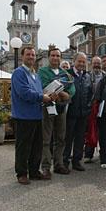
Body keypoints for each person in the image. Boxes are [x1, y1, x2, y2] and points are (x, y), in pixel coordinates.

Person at [11, 47, 51, 184]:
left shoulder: (36, 75)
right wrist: (42, 97)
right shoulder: (19, 73)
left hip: (37, 115)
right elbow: (24, 92)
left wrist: (49, 96)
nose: (31, 57)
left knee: (36, 147)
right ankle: (21, 173)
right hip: (23, 116)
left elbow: (40, 93)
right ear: (22, 57)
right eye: (28, 54)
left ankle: (34, 172)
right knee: (23, 147)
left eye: (33, 55)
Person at [39, 47, 75, 178]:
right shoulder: (42, 71)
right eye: (53, 55)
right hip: (47, 107)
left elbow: (72, 89)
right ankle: (46, 167)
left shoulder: (65, 73)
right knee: (46, 139)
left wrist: (66, 94)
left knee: (60, 138)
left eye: (57, 56)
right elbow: (43, 86)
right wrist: (61, 93)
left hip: (60, 108)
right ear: (49, 57)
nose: (55, 58)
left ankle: (59, 164)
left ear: (60, 58)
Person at [63, 52, 93, 172]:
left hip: (83, 113)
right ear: (74, 61)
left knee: (80, 139)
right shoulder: (67, 75)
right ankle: (64, 161)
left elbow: (90, 93)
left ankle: (77, 161)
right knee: (68, 138)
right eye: (79, 61)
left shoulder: (87, 76)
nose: (81, 64)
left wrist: (88, 107)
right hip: (70, 113)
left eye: (83, 62)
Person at [84, 55, 104, 163]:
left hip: (102, 107)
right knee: (90, 131)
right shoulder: (87, 76)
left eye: (98, 63)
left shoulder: (105, 76)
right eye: (95, 63)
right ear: (91, 64)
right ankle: (88, 154)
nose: (97, 65)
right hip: (90, 107)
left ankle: (104, 154)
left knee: (103, 132)